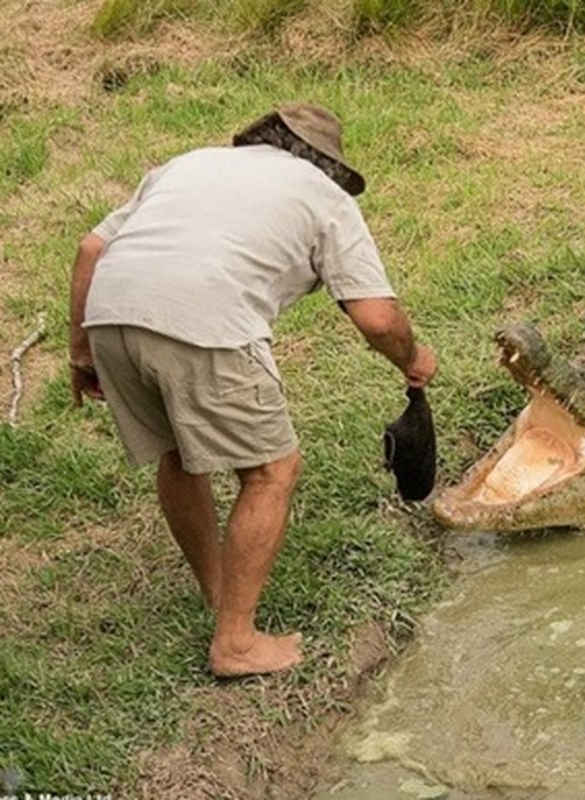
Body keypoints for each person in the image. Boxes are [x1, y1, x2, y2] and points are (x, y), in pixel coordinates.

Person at [67, 103, 437, 678]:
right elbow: (378, 319)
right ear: (327, 166)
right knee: (271, 471)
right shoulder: (324, 198)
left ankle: (218, 594)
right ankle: (235, 641)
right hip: (203, 320)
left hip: (110, 311)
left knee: (179, 454)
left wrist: (82, 352)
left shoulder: (189, 164)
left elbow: (91, 249)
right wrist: (412, 359)